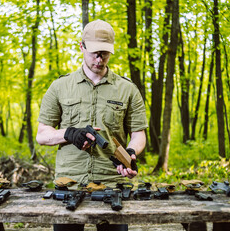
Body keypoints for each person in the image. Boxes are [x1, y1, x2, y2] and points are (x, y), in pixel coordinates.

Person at [36, 20, 148, 231]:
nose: (99, 58)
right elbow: (42, 135)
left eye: (105, 53)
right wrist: (69, 134)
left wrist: (131, 152)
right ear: (82, 47)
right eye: (95, 52)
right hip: (69, 182)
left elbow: (139, 134)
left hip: (113, 182)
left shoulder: (128, 89)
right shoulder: (59, 87)